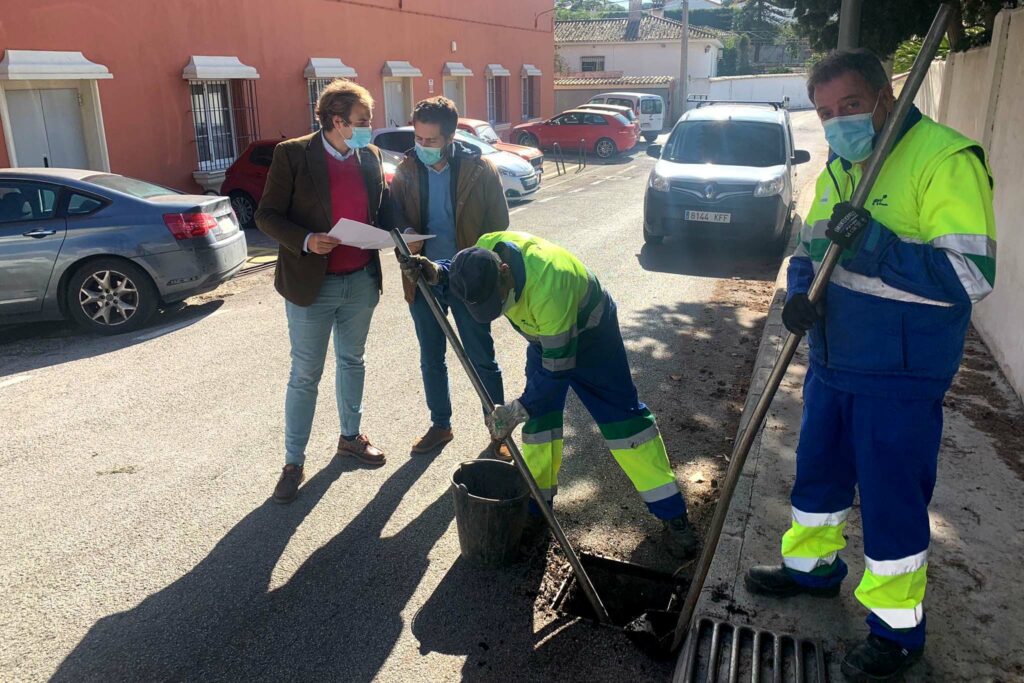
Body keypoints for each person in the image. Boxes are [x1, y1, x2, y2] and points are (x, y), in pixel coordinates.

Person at [743, 50, 996, 682]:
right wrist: (801, 290)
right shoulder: (842, 163)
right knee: (817, 479)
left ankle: (897, 632)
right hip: (834, 357)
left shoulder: (943, 158)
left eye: (849, 106)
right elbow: (813, 243)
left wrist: (876, 243)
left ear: (885, 97)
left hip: (900, 372)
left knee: (891, 503)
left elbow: (968, 276)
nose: (836, 122)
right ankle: (813, 570)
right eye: (825, 112)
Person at [401, 231, 699, 559]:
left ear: (503, 270)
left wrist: (517, 410)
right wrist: (438, 271)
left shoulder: (549, 286)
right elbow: (459, 267)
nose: (499, 308)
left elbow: (556, 372)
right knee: (539, 427)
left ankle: (674, 517)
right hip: (545, 339)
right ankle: (537, 508)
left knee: (625, 423)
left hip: (591, 336)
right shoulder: (484, 251)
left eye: (497, 300)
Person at [256, 79, 393, 504]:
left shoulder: (369, 156)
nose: (370, 128)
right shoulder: (293, 154)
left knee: (352, 361)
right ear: (338, 121)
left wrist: (401, 232)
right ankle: (293, 462)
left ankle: (350, 438)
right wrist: (306, 239)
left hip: (360, 280)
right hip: (311, 285)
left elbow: (383, 210)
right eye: (363, 121)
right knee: (305, 375)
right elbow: (266, 216)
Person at [390, 96, 511, 459]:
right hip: (423, 276)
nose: (422, 146)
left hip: (468, 279)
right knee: (432, 357)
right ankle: (440, 425)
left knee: (482, 358)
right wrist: (406, 238)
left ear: (451, 136)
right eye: (418, 138)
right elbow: (394, 218)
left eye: (431, 140)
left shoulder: (479, 169)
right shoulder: (406, 170)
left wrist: (478, 266)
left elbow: (499, 226)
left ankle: (498, 433)